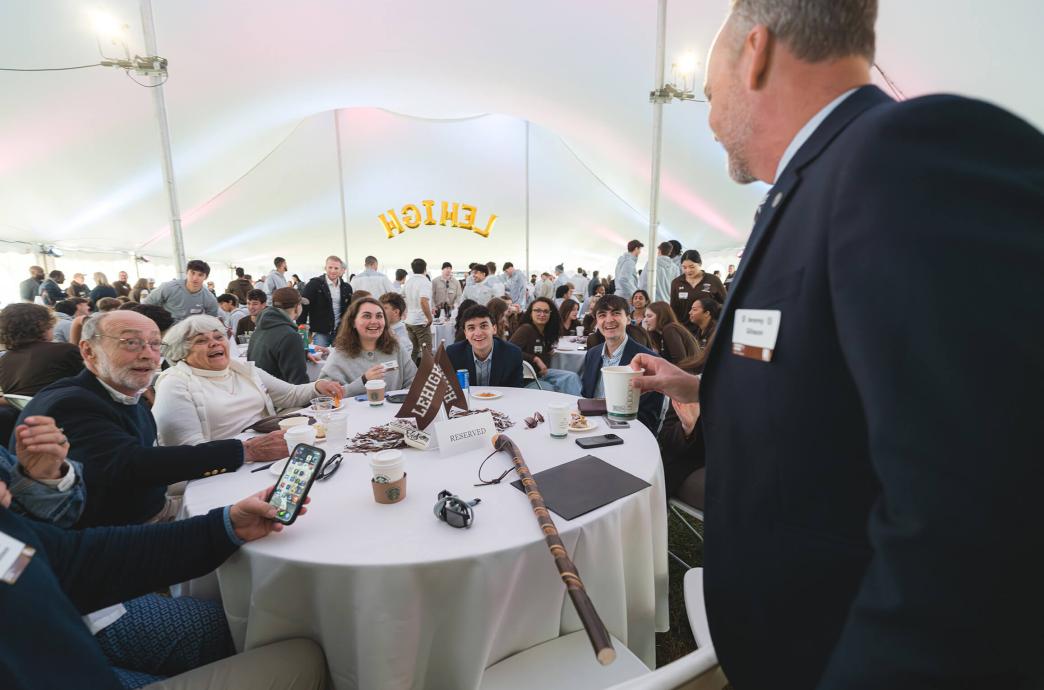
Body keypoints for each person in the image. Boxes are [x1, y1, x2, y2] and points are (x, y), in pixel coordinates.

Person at [629, 2, 1044, 688]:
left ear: (755, 52)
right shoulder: (809, 188)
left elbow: (977, 513)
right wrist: (695, 385)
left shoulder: (906, 153)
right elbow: (833, 391)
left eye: (709, 93)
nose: (707, 118)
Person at [0, 459, 328, 690]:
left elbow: (78, 559)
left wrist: (226, 525)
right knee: (306, 657)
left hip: (80, 639)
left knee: (252, 623)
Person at [13, 310, 288, 528]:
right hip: (122, 534)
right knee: (268, 518)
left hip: (154, 508)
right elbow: (132, 465)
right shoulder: (71, 403)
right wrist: (244, 450)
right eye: (131, 342)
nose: (147, 353)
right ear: (88, 351)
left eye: (155, 344)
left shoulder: (126, 393)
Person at [153, 315, 343, 447]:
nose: (215, 343)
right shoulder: (175, 383)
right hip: (222, 467)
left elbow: (290, 395)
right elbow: (188, 448)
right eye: (201, 341)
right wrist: (248, 450)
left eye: (219, 337)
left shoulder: (241, 369)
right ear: (182, 352)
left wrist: (318, 386)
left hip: (270, 451)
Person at [580, 295, 663, 432]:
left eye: (616, 313)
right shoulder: (592, 354)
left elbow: (649, 416)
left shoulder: (648, 360)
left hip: (628, 433)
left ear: (628, 319)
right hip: (591, 428)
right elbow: (586, 395)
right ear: (597, 322)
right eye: (602, 315)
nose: (609, 320)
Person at [319, 297, 417, 395]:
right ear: (353, 322)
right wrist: (363, 381)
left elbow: (414, 381)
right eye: (367, 316)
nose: (374, 321)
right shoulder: (339, 355)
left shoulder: (397, 349)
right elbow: (327, 395)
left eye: (379, 316)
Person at [0, 304, 83, 397]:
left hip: (26, 410)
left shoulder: (5, 360)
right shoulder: (64, 350)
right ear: (42, 324)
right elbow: (95, 378)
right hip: (67, 407)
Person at [510, 297, 582, 395]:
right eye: (537, 311)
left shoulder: (545, 332)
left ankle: (578, 406)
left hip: (542, 374)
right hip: (526, 378)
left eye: (546, 311)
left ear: (550, 314)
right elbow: (509, 351)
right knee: (549, 389)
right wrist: (535, 359)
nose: (542, 314)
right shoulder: (526, 329)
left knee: (572, 377)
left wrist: (547, 351)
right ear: (531, 313)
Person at [247, 287, 313, 385]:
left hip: (261, 391)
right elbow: (298, 382)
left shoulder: (261, 327)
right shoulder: (290, 335)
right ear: (296, 307)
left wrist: (303, 353)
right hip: (280, 395)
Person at [447, 305, 524, 388]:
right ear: (465, 333)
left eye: (483, 326)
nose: (478, 333)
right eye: (471, 328)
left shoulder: (513, 354)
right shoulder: (453, 354)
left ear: (494, 329)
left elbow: (517, 391)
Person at [299, 255, 353, 347]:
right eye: (330, 267)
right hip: (321, 331)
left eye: (336, 268)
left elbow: (350, 309)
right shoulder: (314, 284)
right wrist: (301, 328)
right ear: (325, 268)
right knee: (320, 358)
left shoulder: (346, 287)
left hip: (340, 332)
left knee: (340, 359)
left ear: (341, 270)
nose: (333, 271)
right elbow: (304, 306)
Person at [144, 260, 220, 322]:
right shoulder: (168, 287)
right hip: (167, 330)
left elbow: (211, 320)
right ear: (187, 273)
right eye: (192, 273)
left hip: (192, 333)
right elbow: (146, 305)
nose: (195, 278)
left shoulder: (210, 298)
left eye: (200, 275)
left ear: (206, 277)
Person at [670, 249, 726, 332]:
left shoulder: (713, 280)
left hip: (708, 330)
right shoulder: (677, 282)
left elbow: (725, 302)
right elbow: (673, 308)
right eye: (684, 267)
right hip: (685, 330)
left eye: (692, 267)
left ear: (700, 264)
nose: (688, 270)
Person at [642, 302, 699, 366]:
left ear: (662, 316)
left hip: (689, 372)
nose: (645, 320)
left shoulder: (670, 329)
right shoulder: (658, 333)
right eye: (645, 316)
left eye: (649, 316)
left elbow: (680, 361)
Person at [402, 258, 433, 362]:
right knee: (427, 352)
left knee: (413, 350)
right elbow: (423, 301)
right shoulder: (425, 282)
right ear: (425, 269)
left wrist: (405, 312)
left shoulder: (408, 282)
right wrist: (429, 318)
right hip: (420, 321)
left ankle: (411, 374)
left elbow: (401, 297)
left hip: (409, 321)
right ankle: (426, 376)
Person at [378, 291, 413, 360]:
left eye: (384, 308)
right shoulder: (386, 329)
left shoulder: (401, 338)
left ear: (396, 312)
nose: (379, 311)